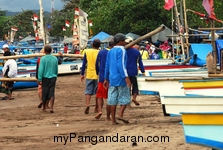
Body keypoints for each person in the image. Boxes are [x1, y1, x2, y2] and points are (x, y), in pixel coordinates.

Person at [104, 33, 131, 125]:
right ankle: (120, 114)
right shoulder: (122, 50)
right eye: (124, 40)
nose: (125, 42)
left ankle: (113, 120)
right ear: (120, 41)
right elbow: (121, 65)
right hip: (120, 77)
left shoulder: (110, 51)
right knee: (125, 97)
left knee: (112, 99)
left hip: (112, 78)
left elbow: (107, 65)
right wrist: (126, 77)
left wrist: (106, 78)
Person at [95, 38, 115, 120]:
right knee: (110, 98)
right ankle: (108, 116)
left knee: (100, 95)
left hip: (102, 77)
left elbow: (97, 64)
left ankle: (100, 110)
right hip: (112, 78)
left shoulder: (101, 52)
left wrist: (98, 72)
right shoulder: (114, 52)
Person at [80, 39, 100, 114]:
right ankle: (96, 107)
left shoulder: (87, 52)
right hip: (98, 74)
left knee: (88, 91)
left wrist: (82, 74)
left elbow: (84, 63)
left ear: (92, 45)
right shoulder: (100, 52)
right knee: (97, 92)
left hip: (89, 74)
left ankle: (87, 104)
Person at [38, 45, 58, 113]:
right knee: (52, 92)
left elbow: (41, 69)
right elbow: (56, 68)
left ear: (45, 51)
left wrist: (39, 79)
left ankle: (44, 108)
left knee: (45, 92)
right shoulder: (55, 58)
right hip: (53, 77)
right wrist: (56, 75)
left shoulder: (43, 59)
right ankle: (51, 107)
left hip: (45, 77)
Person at [126, 40, 145, 106]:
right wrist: (143, 71)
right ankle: (134, 98)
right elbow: (140, 63)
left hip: (126, 72)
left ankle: (128, 103)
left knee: (127, 86)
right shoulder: (137, 52)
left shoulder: (123, 51)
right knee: (135, 86)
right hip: (134, 71)